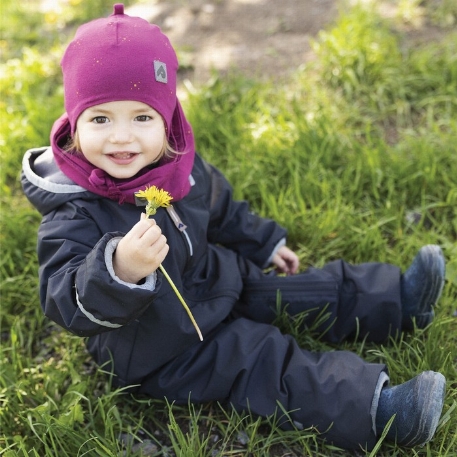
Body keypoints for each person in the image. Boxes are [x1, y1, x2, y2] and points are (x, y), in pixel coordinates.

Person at [21, 4, 447, 451]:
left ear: (168, 120)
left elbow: (219, 207)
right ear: (74, 125)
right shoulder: (72, 211)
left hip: (215, 280)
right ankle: (379, 409)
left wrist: (263, 242)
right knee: (260, 358)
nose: (122, 137)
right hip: (165, 346)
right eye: (101, 118)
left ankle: (399, 297)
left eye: (142, 117)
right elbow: (63, 298)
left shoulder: (174, 167)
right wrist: (119, 269)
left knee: (295, 292)